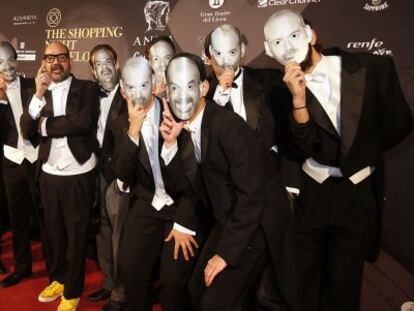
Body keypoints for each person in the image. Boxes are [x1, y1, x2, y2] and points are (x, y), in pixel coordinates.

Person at [263, 9, 413, 311]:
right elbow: (299, 148)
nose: (289, 48)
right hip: (312, 198)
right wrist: (298, 102)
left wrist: (359, 154)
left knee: (344, 290)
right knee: (303, 284)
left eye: (293, 36)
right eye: (278, 43)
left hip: (357, 198)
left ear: (310, 34)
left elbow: (400, 123)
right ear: (268, 51)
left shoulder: (375, 68)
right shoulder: (277, 94)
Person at [160, 53, 274, 311]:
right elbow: (183, 187)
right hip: (226, 221)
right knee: (195, 289)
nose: (181, 96)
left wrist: (226, 254)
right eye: (174, 88)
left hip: (254, 227)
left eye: (189, 86)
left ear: (203, 87)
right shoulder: (183, 129)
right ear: (166, 91)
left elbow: (253, 196)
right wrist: (169, 145)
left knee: (214, 303)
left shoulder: (227, 126)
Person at [204, 25, 301, 310]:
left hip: (272, 194)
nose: (225, 61)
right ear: (209, 56)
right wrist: (217, 102)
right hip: (230, 203)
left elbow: (290, 134)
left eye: (232, 52)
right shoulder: (200, 93)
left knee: (276, 279)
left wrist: (292, 183)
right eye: (218, 53)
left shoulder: (270, 82)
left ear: (244, 51)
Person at [112, 56, 199, 311]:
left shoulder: (179, 110)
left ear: (154, 83)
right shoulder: (120, 124)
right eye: (131, 87)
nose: (138, 94)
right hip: (148, 201)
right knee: (130, 267)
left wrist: (184, 222)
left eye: (142, 85)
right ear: (122, 90)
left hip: (183, 204)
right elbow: (123, 176)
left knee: (172, 282)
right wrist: (133, 131)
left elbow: (198, 176)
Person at [20, 42, 100, 311]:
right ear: (44, 61)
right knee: (53, 234)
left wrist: (44, 125)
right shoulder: (38, 94)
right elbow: (26, 130)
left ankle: (73, 291)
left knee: (77, 235)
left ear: (70, 61)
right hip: (49, 174)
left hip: (79, 173)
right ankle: (58, 279)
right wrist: (39, 93)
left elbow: (83, 121)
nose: (56, 63)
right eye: (51, 58)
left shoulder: (87, 89)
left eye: (62, 58)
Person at [87, 44, 127, 311]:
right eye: (99, 64)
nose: (105, 68)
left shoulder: (128, 94)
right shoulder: (89, 96)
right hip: (96, 172)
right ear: (93, 70)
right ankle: (108, 283)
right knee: (102, 230)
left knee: (119, 234)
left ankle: (120, 294)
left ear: (117, 63)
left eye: (108, 61)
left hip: (120, 175)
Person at [0, 41, 38, 288]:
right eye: (0, 63)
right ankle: (22, 268)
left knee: (47, 217)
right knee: (18, 218)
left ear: (17, 59)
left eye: (10, 59)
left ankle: (61, 267)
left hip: (36, 159)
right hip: (12, 161)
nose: (7, 66)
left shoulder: (32, 85)